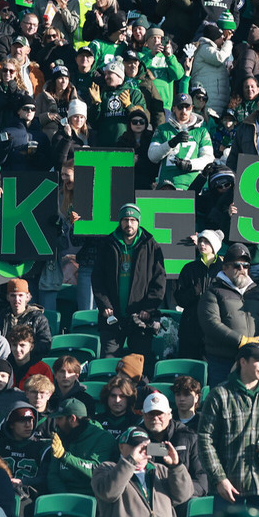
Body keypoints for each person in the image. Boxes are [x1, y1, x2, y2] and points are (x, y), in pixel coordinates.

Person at [197, 340, 259, 517]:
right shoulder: (220, 394)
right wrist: (219, 478)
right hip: (229, 486)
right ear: (243, 362)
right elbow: (204, 439)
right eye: (258, 360)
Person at [92, 426, 194, 517]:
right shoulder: (106, 469)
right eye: (135, 446)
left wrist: (176, 466)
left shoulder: (161, 470)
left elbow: (183, 496)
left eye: (145, 447)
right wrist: (130, 461)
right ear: (121, 447)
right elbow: (108, 493)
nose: (141, 451)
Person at [92, 203, 166, 361]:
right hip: (112, 317)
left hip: (141, 318)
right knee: (108, 364)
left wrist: (148, 308)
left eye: (133, 219)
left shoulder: (151, 245)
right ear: (120, 221)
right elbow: (97, 278)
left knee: (138, 366)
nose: (129, 223)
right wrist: (104, 305)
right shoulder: (108, 244)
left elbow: (159, 281)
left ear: (139, 222)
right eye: (125, 219)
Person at [200, 243, 259, 386]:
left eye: (246, 266)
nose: (242, 269)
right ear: (225, 268)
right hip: (222, 361)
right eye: (237, 265)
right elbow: (211, 323)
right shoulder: (213, 292)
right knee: (222, 404)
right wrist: (241, 340)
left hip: (253, 359)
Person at [47, 398, 117, 495]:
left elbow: (96, 470)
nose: (56, 423)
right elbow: (52, 475)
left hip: (92, 498)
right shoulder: (61, 436)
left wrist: (64, 456)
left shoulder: (103, 438)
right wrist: (64, 497)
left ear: (72, 419)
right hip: (63, 497)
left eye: (59, 418)